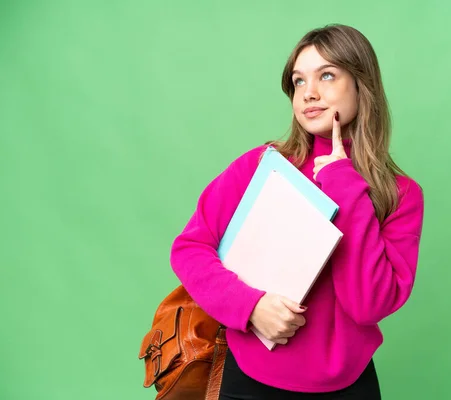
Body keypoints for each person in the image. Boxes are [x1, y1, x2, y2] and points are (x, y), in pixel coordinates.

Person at [170, 24, 425, 400]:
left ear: (361, 84)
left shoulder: (399, 195)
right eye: (298, 80)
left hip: (348, 386)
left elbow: (367, 305)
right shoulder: (263, 166)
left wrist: (344, 182)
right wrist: (251, 306)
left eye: (327, 75)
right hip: (247, 381)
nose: (310, 93)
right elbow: (190, 248)